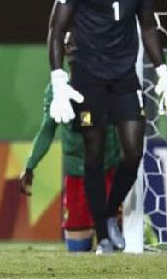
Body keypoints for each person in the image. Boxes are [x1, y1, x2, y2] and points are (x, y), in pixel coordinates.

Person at [47, 0, 167, 254]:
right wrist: (59, 78)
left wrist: (162, 71)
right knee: (95, 155)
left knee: (133, 153)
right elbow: (56, 31)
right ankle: (103, 234)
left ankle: (107, 217)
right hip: (88, 77)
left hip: (124, 77)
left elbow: (147, 27)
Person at [20, 32, 121, 252]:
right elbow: (47, 130)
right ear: (64, 50)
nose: (75, 49)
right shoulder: (56, 90)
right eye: (70, 45)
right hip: (77, 176)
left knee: (116, 248)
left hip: (108, 172)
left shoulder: (110, 81)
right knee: (78, 248)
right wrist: (30, 165)